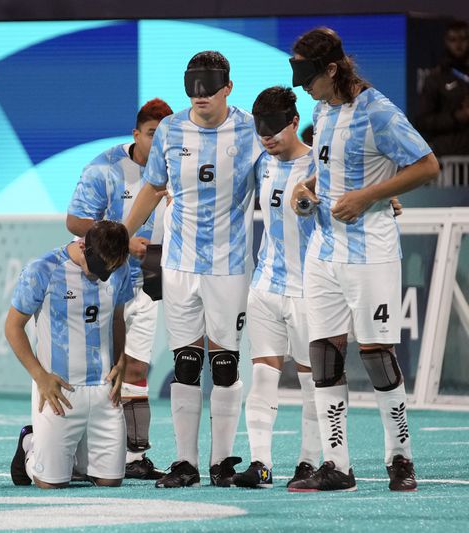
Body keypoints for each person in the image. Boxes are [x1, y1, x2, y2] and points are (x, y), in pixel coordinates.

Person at [288, 27, 439, 493]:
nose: (303, 88)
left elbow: (427, 165)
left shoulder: (379, 111)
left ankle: (401, 459)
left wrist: (369, 196)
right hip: (323, 252)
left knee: (376, 356)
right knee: (324, 355)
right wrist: (306, 188)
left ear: (332, 70)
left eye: (308, 77)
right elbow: (329, 169)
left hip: (371, 253)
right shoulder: (323, 109)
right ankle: (337, 466)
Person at [123, 51, 264, 488]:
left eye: (208, 85)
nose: (199, 95)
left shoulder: (249, 130)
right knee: (185, 363)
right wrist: (120, 234)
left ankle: (222, 462)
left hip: (230, 266)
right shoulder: (170, 129)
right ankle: (185, 462)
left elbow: (282, 174)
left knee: (224, 364)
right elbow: (153, 186)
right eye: (192, 86)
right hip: (179, 264)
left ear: (228, 87)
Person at [65, 98, 173, 480]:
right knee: (100, 368)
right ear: (136, 134)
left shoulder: (179, 166)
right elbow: (75, 221)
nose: (157, 142)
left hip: (149, 282)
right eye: (150, 135)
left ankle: (134, 456)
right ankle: (78, 449)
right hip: (104, 284)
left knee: (137, 366)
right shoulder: (104, 168)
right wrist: (122, 241)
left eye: (164, 135)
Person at [230, 86, 320, 489]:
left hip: (309, 290)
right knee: (262, 375)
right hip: (265, 283)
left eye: (274, 128)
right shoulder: (261, 163)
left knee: (312, 379)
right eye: (260, 128)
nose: (266, 137)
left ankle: (310, 462)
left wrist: (387, 203)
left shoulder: (320, 163)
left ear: (295, 122)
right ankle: (261, 463)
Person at [7, 220, 132, 489]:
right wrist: (40, 377)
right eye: (98, 269)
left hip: (103, 391)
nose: (101, 277)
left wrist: (121, 360)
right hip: (59, 390)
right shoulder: (43, 270)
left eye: (109, 271)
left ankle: (73, 459)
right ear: (83, 246)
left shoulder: (120, 267)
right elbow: (12, 327)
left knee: (110, 482)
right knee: (50, 484)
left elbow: (118, 318)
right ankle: (30, 445)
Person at [415, 19, 469, 157]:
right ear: (446, 41)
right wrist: (456, 117)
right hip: (449, 157)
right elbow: (422, 121)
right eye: (453, 39)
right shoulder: (435, 79)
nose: (458, 44)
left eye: (463, 39)